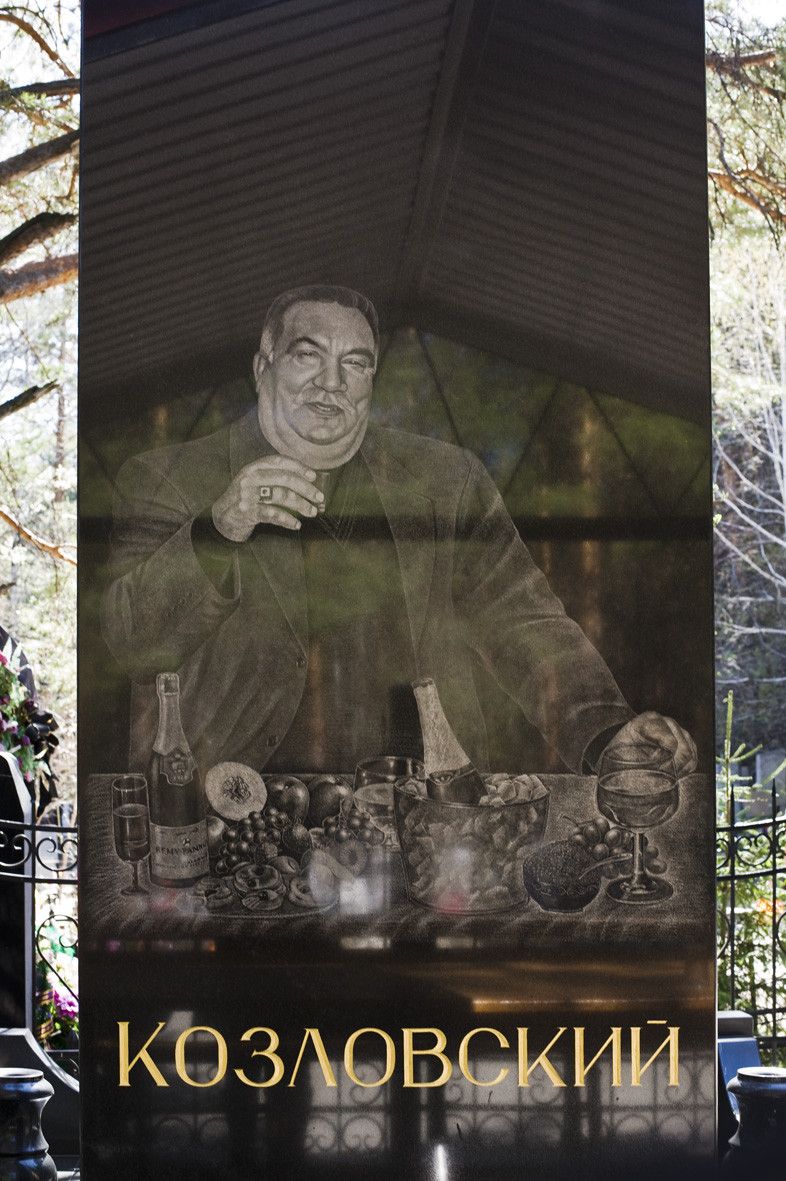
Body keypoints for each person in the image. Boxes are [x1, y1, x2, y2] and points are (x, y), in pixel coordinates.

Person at [102, 285, 696, 778]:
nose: (331, 383)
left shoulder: (447, 479)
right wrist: (218, 529)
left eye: (355, 364)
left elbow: (522, 619)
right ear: (264, 367)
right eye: (308, 355)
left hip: (423, 812)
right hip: (230, 810)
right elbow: (129, 641)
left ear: (371, 380)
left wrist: (605, 732)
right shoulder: (168, 478)